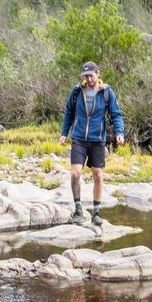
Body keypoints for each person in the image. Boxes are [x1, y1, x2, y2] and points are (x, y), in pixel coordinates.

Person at [59, 61, 125, 226]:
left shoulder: (106, 92)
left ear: (98, 74)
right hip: (79, 138)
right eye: (85, 76)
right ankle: (78, 208)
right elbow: (69, 112)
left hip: (97, 140)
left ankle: (96, 212)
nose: (88, 79)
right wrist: (63, 133)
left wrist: (119, 132)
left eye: (91, 75)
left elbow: (116, 114)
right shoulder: (77, 91)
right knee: (75, 173)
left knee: (97, 174)